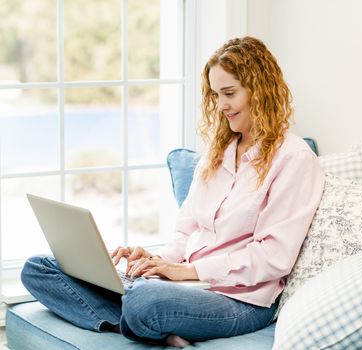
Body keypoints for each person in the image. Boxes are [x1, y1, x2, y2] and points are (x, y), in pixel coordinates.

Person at [21, 36, 325, 347]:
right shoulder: (218, 153)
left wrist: (187, 272)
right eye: (216, 95)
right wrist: (155, 261)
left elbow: (273, 258)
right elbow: (186, 229)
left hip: (241, 300)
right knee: (38, 268)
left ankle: (141, 316)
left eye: (229, 93)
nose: (221, 106)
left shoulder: (294, 158)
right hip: (186, 284)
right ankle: (140, 327)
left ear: (260, 90)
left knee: (145, 301)